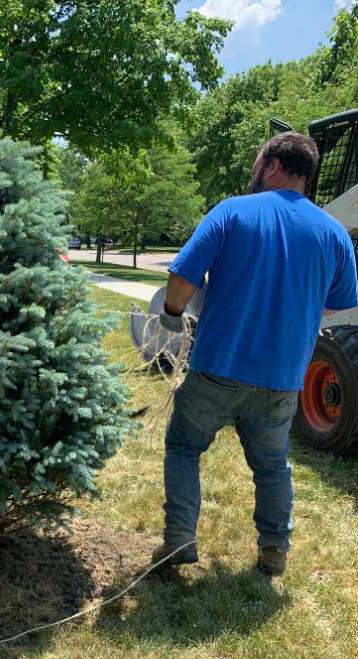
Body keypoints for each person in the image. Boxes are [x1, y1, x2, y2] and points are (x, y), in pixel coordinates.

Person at [154, 132, 358, 576]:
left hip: (217, 368)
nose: (253, 170)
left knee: (185, 446)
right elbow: (339, 301)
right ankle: (274, 550)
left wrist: (171, 315)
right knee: (271, 466)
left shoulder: (232, 212)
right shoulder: (334, 233)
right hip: (283, 379)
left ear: (275, 165)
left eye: (257, 160)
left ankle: (179, 540)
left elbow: (181, 281)